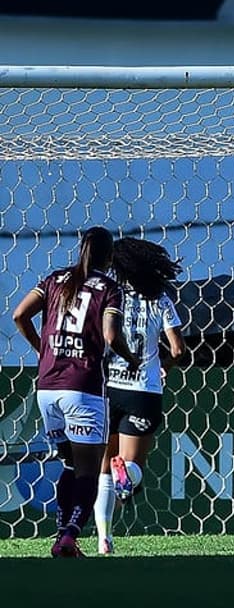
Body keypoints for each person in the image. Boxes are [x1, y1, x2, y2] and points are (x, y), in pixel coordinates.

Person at [11, 226, 140, 558]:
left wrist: (43, 351)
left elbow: (19, 315)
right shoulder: (109, 289)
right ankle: (69, 535)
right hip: (82, 388)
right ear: (109, 258)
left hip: (47, 388)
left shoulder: (55, 280)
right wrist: (131, 358)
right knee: (88, 469)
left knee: (69, 465)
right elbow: (111, 336)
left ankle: (61, 535)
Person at [94, 237, 187, 555]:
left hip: (108, 389)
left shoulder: (111, 296)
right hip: (143, 391)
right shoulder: (161, 299)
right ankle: (127, 470)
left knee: (103, 468)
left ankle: (103, 539)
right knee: (132, 469)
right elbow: (178, 349)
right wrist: (165, 366)